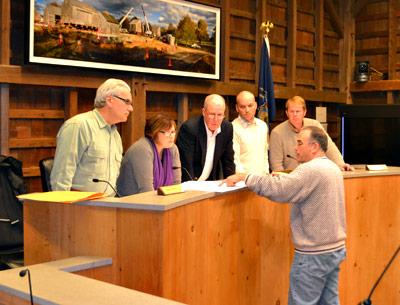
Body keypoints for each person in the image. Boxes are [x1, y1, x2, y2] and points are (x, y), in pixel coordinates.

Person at [226, 126, 347, 305]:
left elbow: (279, 189)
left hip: (313, 255)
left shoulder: (310, 170)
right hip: (334, 250)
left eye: (299, 143)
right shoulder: (332, 167)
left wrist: (246, 177)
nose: (295, 148)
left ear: (314, 147)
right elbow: (293, 185)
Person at [50, 78, 133, 196]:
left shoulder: (115, 134)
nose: (131, 108)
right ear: (110, 100)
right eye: (127, 102)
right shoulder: (78, 126)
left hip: (107, 205)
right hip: (79, 206)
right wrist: (64, 210)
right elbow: (61, 176)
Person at [269, 95, 352, 172]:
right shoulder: (277, 133)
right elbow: (276, 165)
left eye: (298, 111)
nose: (295, 115)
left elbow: (329, 147)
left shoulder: (315, 125)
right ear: (287, 113)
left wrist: (341, 164)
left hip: (314, 175)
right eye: (292, 111)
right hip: (291, 180)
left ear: (304, 112)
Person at [117, 114, 181, 196]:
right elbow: (146, 190)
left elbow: (176, 186)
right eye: (166, 132)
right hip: (131, 204)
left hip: (158, 202)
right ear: (153, 133)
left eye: (173, 132)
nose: (171, 136)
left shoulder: (172, 149)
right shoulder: (142, 149)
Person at [176, 94, 235, 181]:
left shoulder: (227, 128)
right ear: (203, 112)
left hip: (209, 182)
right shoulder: (190, 129)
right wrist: (192, 188)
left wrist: (231, 182)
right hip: (191, 181)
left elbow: (228, 161)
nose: (215, 119)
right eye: (212, 114)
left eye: (219, 115)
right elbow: (186, 164)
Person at [232, 91, 269, 175]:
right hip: (243, 182)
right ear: (237, 108)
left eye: (250, 105)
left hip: (262, 181)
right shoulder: (233, 128)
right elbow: (235, 160)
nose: (247, 110)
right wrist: (244, 180)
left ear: (255, 105)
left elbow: (264, 154)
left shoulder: (262, 126)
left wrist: (266, 174)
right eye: (242, 107)